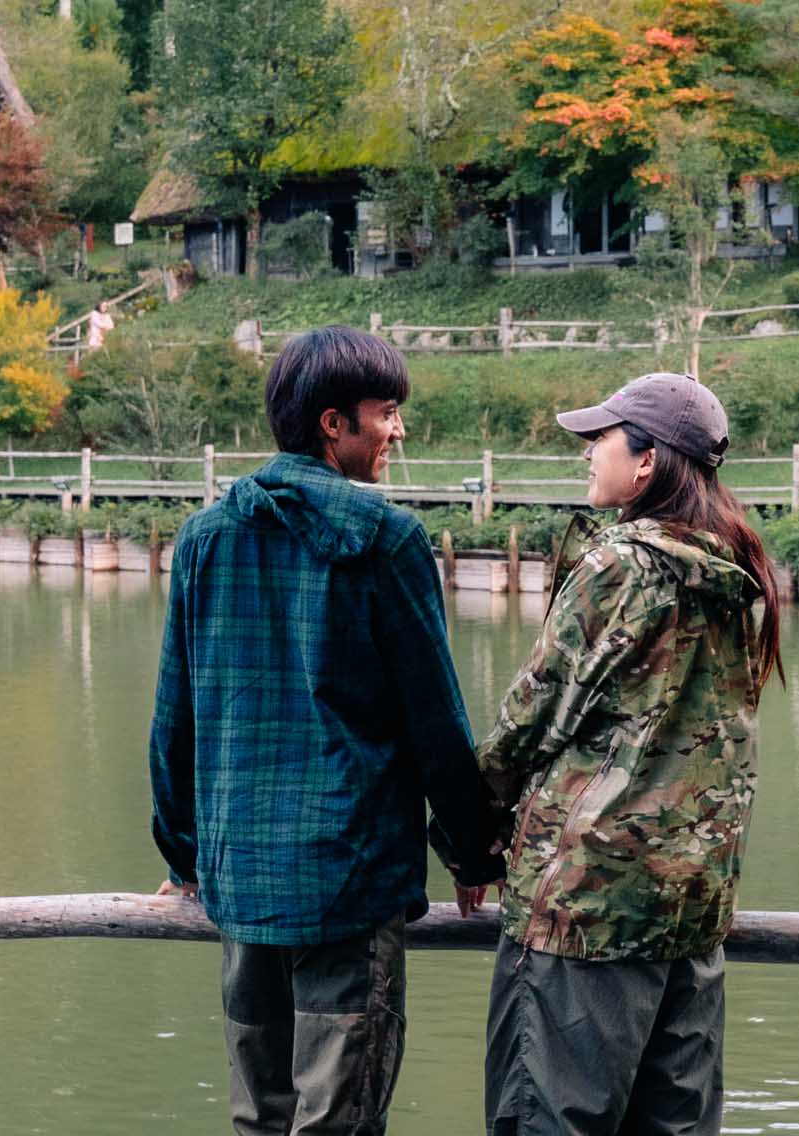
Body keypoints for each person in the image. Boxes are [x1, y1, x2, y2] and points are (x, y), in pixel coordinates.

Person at [150, 325, 505, 1136]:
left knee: (260, 1118)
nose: (399, 429)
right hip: (347, 880)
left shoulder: (206, 538)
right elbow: (435, 722)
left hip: (239, 876)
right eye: (386, 412)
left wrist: (184, 854)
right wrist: (475, 848)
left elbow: (177, 717)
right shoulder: (388, 541)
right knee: (337, 1123)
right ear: (332, 424)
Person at [477, 372, 782, 1136]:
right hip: (690, 909)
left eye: (600, 439)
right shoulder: (738, 573)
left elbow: (530, 719)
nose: (586, 453)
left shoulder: (622, 568)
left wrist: (467, 835)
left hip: (587, 910)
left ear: (647, 462)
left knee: (547, 1121)